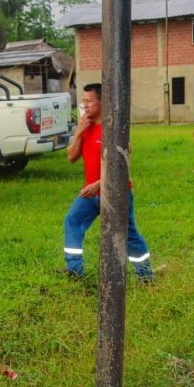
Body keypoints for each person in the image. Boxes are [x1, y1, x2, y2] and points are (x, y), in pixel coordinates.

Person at [62, 83, 154, 282]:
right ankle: (74, 270)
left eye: (90, 101)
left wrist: (98, 184)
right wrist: (78, 133)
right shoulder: (86, 127)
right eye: (83, 101)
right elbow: (71, 157)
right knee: (72, 221)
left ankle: (145, 275)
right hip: (90, 194)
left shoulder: (114, 129)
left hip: (116, 192)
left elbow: (122, 167)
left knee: (128, 234)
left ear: (103, 102)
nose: (85, 105)